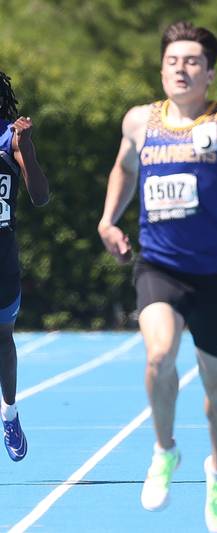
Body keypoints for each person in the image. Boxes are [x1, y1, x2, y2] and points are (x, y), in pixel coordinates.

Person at [97, 21, 217, 532]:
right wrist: (109, 219)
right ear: (160, 68)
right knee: (158, 354)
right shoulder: (139, 121)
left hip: (216, 276)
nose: (181, 68)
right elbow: (125, 169)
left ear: (210, 71)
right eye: (173, 60)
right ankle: (164, 449)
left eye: (193, 61)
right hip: (158, 267)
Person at [0, 71, 50, 463]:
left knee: (3, 337)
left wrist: (27, 147)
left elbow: (40, 196)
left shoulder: (9, 137)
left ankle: (10, 414)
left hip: (2, 255)